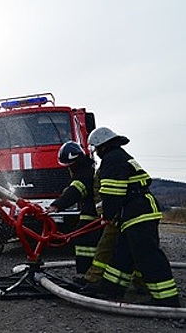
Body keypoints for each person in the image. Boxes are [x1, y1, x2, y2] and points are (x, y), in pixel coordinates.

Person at [85, 127, 180, 307]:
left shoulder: (112, 160)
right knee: (123, 252)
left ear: (102, 146)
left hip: (139, 212)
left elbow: (113, 192)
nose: (96, 153)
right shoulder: (119, 156)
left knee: (147, 255)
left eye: (96, 148)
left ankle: (166, 299)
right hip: (135, 211)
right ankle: (112, 287)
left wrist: (108, 215)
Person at [47, 141, 103, 277]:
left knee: (84, 241)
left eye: (69, 166)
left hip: (92, 215)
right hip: (93, 213)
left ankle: (88, 276)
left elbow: (75, 191)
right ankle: (90, 275)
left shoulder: (83, 174)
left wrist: (56, 205)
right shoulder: (87, 170)